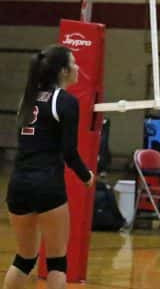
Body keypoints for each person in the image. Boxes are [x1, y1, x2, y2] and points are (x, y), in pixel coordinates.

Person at [4, 44, 95, 289]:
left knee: (24, 259)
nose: (78, 67)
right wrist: (86, 176)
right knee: (56, 262)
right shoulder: (65, 102)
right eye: (74, 63)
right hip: (47, 185)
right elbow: (69, 152)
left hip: (18, 184)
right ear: (63, 71)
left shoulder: (28, 97)